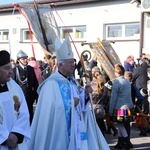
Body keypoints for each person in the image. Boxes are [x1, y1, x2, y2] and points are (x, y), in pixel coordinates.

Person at [27, 35, 110, 150]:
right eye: (69, 62)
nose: (73, 65)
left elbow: (81, 104)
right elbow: (50, 108)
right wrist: (70, 103)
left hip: (76, 125)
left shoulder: (73, 82)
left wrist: (85, 94)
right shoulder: (51, 84)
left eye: (73, 62)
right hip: (59, 129)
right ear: (60, 65)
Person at [0, 50, 30, 150]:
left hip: (15, 141)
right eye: (6, 68)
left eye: (10, 67)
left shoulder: (14, 87)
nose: (11, 71)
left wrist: (15, 135)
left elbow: (24, 112)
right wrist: (5, 137)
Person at [109, 64, 134, 150]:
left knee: (120, 125)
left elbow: (113, 98)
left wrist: (110, 110)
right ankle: (120, 143)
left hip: (120, 107)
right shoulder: (127, 81)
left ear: (117, 72)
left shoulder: (117, 82)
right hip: (128, 107)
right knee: (122, 125)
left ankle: (127, 142)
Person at [11, 50, 39, 124]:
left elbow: (35, 83)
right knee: (21, 116)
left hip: (30, 97)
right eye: (23, 59)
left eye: (26, 58)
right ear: (18, 60)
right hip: (20, 97)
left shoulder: (30, 69)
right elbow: (12, 85)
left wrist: (37, 96)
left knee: (30, 115)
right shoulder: (15, 70)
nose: (26, 60)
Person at [90, 66, 106, 136]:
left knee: (94, 128)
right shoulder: (103, 85)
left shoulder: (91, 85)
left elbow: (88, 96)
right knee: (101, 126)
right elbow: (106, 97)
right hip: (101, 107)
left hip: (92, 108)